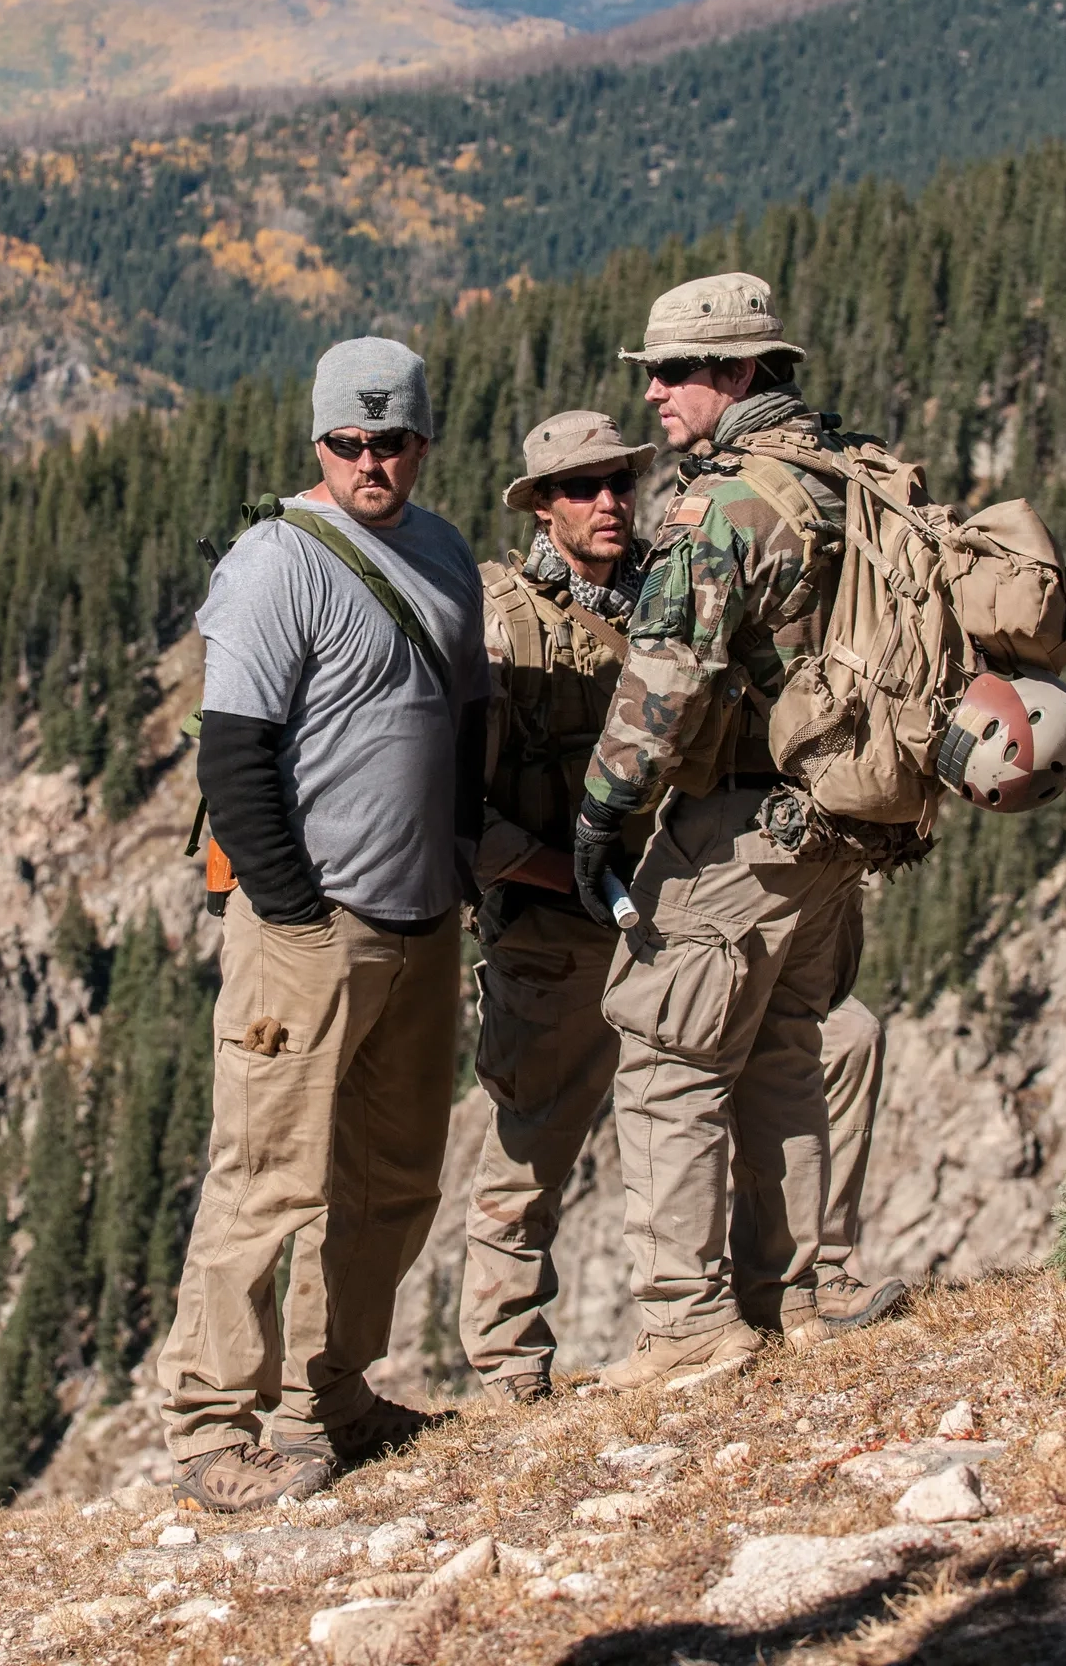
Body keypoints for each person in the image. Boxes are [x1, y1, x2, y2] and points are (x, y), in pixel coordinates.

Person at [158, 336, 490, 1511]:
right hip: (310, 923)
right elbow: (235, 752)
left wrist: (459, 859)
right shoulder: (273, 564)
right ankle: (210, 1428)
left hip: (421, 916)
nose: (370, 462)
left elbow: (468, 720)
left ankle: (329, 1401)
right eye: (348, 442)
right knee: (266, 1176)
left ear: (421, 441)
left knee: (391, 1177)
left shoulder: (447, 552)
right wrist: (290, 908)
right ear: (317, 442)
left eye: (391, 441)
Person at [573, 272, 905, 1392]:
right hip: (833, 822)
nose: (655, 393)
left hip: (737, 827)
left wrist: (602, 812)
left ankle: (685, 1326)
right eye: (653, 371)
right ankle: (798, 1290)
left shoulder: (724, 505)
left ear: (740, 371)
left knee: (669, 1053)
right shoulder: (846, 474)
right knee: (788, 1044)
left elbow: (665, 682)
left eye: (674, 372)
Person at [459, 410, 657, 1407]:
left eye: (619, 480)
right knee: (526, 1156)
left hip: (669, 921)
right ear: (541, 504)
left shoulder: (672, 596)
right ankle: (506, 1376)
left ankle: (712, 1324)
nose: (608, 500)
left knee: (688, 1128)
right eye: (581, 486)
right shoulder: (497, 623)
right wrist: (551, 872)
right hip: (549, 931)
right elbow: (458, 810)